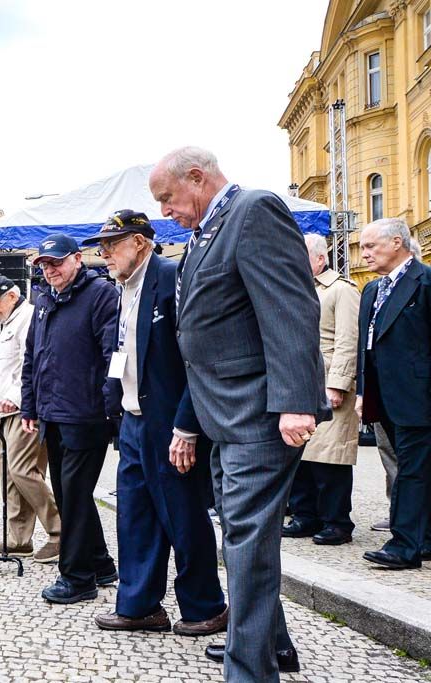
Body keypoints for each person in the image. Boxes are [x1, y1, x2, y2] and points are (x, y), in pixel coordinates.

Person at [149, 146, 327, 679]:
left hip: (258, 412)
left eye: (167, 198)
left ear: (198, 178)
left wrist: (296, 401)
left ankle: (248, 670)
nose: (165, 211)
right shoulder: (207, 231)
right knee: (242, 536)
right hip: (223, 413)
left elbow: (291, 308)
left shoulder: (254, 210)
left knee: (246, 541)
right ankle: (274, 644)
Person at [81, 210, 227, 635]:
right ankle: (140, 605)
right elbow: (121, 351)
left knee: (183, 516)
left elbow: (196, 359)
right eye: (102, 246)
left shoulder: (171, 278)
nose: (103, 253)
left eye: (112, 245)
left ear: (140, 243)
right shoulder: (121, 288)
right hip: (134, 419)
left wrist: (187, 426)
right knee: (135, 516)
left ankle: (205, 606)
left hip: (170, 421)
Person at [21, 233, 120, 604]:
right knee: (68, 493)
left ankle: (78, 577)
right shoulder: (44, 299)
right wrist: (30, 406)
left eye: (56, 263)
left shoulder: (101, 295)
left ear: (77, 259)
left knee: (75, 495)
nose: (50, 270)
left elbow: (113, 355)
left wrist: (110, 406)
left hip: (86, 414)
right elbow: (34, 356)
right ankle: (101, 563)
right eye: (44, 265)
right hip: (52, 413)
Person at [355, 217, 431, 570]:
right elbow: (365, 345)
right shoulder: (371, 289)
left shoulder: (424, 281)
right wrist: (362, 391)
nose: (364, 253)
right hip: (382, 396)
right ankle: (424, 538)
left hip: (418, 396)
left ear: (397, 242)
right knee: (410, 466)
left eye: (371, 246)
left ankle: (404, 546)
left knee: (412, 469)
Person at [283, 234, 361, 546]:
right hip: (300, 382)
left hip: (329, 381)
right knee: (300, 454)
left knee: (331, 459)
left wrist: (338, 384)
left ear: (320, 258)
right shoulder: (295, 289)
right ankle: (305, 515)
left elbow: (347, 340)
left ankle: (337, 522)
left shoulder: (341, 290)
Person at [0, 276, 62, 563]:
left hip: (23, 409)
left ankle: (59, 531)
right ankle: (17, 539)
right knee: (9, 476)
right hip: (5, 413)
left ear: (13, 296)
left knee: (23, 471)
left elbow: (33, 362)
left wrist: (15, 397)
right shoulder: (6, 323)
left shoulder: (27, 318)